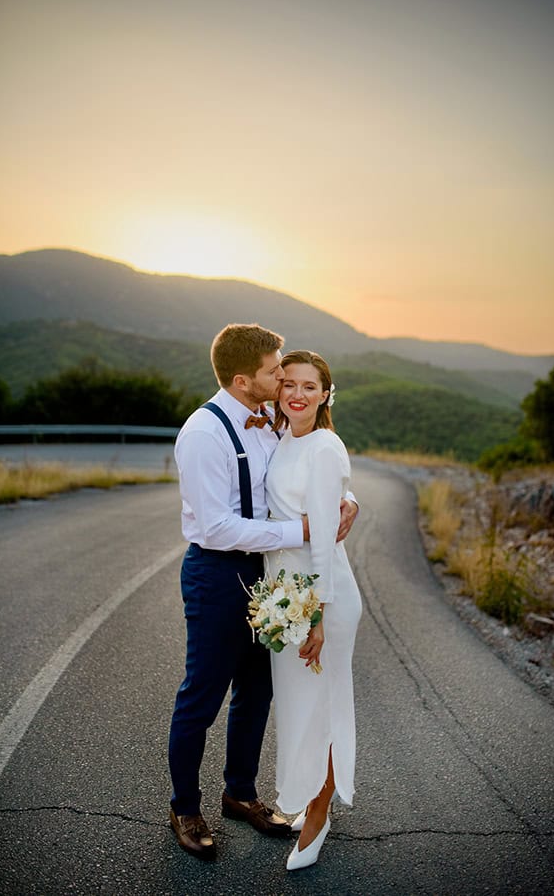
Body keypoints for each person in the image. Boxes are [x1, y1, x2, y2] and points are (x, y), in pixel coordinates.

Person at [168, 324, 358, 861]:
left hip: (271, 576)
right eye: (276, 372)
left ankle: (240, 794)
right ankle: (185, 807)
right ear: (241, 379)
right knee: (201, 695)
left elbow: (311, 465)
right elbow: (216, 527)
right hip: (218, 572)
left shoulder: (274, 417)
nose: (284, 380)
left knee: (257, 690)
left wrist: (348, 503)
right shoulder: (203, 435)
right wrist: (304, 531)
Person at [265, 349, 362, 871]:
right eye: (289, 385)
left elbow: (323, 536)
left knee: (321, 705)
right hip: (284, 591)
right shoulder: (282, 438)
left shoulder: (325, 446)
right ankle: (305, 795)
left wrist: (319, 614)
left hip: (321, 594)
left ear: (325, 394)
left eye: (309, 386)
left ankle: (321, 808)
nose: (297, 394)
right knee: (299, 707)